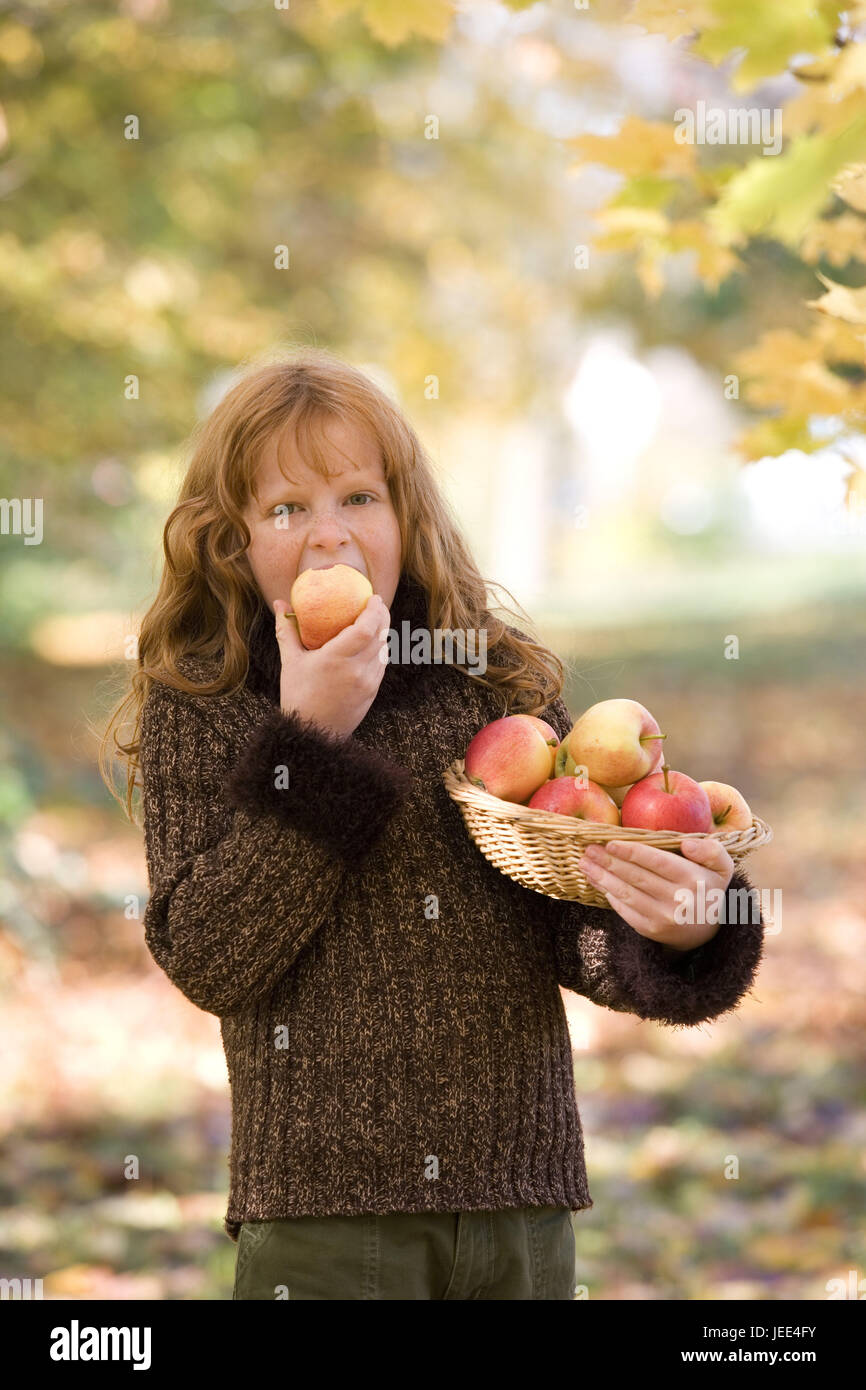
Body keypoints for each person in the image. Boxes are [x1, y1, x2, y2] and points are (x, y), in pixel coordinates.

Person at [100, 348, 765, 1300]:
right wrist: (313, 738)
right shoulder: (206, 701)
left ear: (406, 512)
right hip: (326, 1220)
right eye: (286, 509)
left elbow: (565, 917)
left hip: (517, 1205)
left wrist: (688, 929)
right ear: (233, 538)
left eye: (358, 498)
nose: (327, 536)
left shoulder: (488, 682)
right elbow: (210, 956)